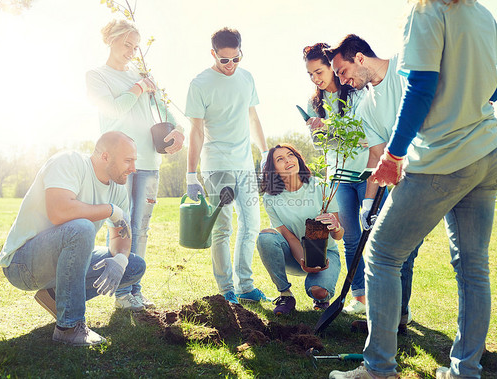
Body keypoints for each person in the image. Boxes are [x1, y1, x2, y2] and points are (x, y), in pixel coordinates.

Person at [329, 1, 497, 378]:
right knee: (473, 268)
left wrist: (394, 153)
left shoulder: (425, 12)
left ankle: (378, 369)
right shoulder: (479, 12)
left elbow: (420, 87)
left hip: (443, 157)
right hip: (487, 151)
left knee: (382, 255)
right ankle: (464, 371)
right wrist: (479, 104)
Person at [0, 131, 147, 346]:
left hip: (59, 261)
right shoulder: (69, 162)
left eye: (134, 161)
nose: (133, 168)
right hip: (22, 264)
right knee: (82, 227)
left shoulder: (118, 189)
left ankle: (55, 295)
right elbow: (59, 211)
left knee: (133, 265)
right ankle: (69, 327)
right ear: (105, 156)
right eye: (128, 160)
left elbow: (121, 233)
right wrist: (109, 210)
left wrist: (120, 259)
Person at [324, 35, 423, 333]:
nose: (342, 79)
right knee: (396, 251)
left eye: (342, 71)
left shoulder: (403, 67)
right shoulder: (367, 106)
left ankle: (391, 320)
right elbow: (377, 157)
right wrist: (368, 203)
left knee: (405, 250)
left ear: (360, 58)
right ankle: (395, 319)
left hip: (437, 166)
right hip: (406, 183)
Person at [86, 19, 185, 310]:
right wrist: (139, 88)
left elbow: (163, 107)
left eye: (135, 45)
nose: (131, 50)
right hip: (118, 162)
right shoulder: (97, 76)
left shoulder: (141, 75)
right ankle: (120, 293)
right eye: (126, 44)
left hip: (149, 160)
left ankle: (134, 289)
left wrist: (178, 128)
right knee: (121, 224)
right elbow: (113, 112)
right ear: (111, 40)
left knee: (141, 226)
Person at [185, 27, 269, 305]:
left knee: (251, 224)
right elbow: (195, 131)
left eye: (236, 59)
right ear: (213, 54)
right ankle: (226, 290)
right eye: (225, 60)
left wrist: (265, 152)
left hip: (245, 164)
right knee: (223, 228)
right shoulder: (200, 84)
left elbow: (253, 118)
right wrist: (190, 173)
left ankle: (245, 285)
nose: (231, 65)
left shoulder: (247, 78)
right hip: (216, 165)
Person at [302, 42, 370, 315]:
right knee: (351, 238)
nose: (316, 78)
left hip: (367, 173)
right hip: (339, 176)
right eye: (310, 74)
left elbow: (363, 135)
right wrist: (317, 130)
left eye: (319, 71)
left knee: (375, 238)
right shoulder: (314, 103)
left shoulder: (356, 92)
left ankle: (393, 301)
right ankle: (361, 298)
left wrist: (329, 127)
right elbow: (322, 146)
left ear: (332, 66)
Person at [257, 144, 343, 314]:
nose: (288, 160)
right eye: (280, 159)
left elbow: (338, 236)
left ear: (298, 158)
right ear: (273, 170)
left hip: (326, 254)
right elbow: (288, 237)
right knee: (265, 237)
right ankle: (285, 295)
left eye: (290, 155)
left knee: (318, 291)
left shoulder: (321, 186)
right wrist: (305, 262)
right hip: (294, 255)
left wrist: (336, 226)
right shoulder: (270, 198)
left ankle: (320, 299)